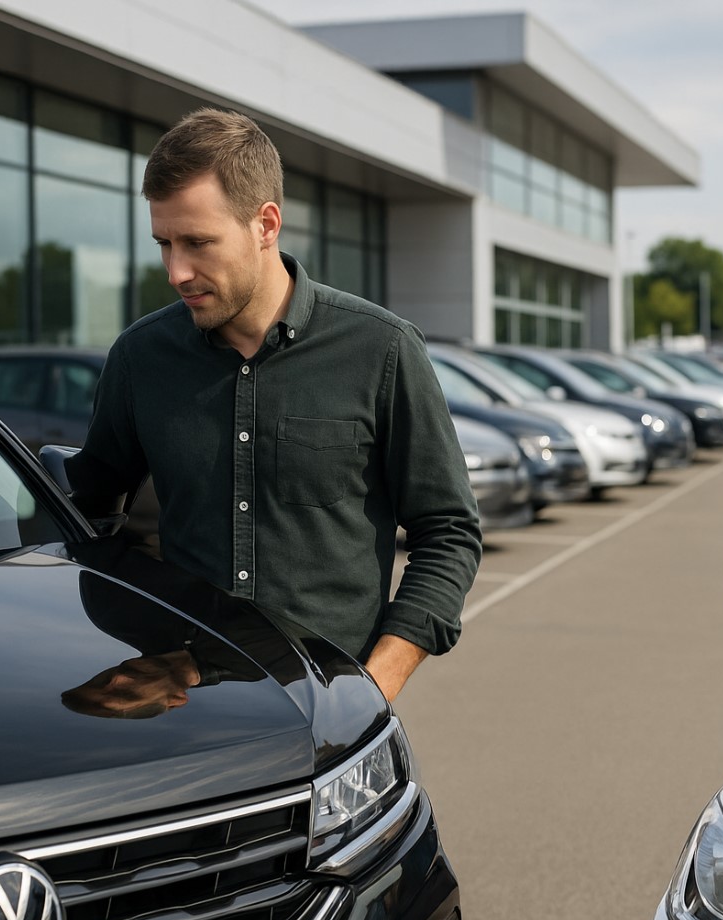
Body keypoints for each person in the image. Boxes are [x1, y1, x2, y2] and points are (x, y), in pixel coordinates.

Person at [67, 108, 482, 703]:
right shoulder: (140, 359)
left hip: (337, 705)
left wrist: (374, 687)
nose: (176, 271)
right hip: (189, 707)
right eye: (164, 243)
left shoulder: (382, 350)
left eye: (197, 243)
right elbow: (90, 517)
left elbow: (448, 532)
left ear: (265, 224)